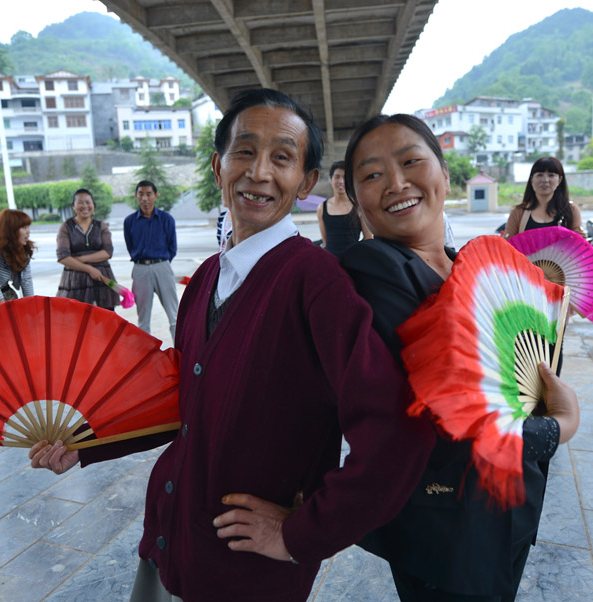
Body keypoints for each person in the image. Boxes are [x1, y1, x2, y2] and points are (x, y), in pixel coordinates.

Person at [30, 89, 433, 602]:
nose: (259, 172)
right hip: (170, 539)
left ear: (307, 182)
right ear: (219, 167)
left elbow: (398, 433)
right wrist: (89, 442)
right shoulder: (206, 280)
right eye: (244, 151)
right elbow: (181, 399)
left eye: (282, 157)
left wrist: (300, 534)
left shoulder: (316, 283)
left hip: (245, 573)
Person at [339, 114, 580, 602]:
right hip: (445, 526)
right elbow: (447, 417)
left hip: (506, 505)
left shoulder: (467, 262)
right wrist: (559, 427)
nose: (396, 183)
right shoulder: (374, 270)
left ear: (445, 176)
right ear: (356, 199)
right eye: (372, 174)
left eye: (410, 161)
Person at [123, 181, 179, 337]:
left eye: (149, 194)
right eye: (141, 194)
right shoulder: (130, 221)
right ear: (136, 196)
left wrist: (161, 263)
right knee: (143, 320)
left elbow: (172, 247)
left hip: (163, 266)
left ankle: (181, 356)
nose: (145, 198)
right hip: (140, 269)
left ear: (155, 195)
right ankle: (145, 358)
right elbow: (130, 246)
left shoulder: (166, 219)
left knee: (175, 316)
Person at [56, 189, 121, 310]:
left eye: (88, 202)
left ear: (93, 205)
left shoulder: (101, 225)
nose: (85, 206)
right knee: (78, 320)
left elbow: (107, 252)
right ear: (74, 206)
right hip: (75, 280)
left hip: (102, 278)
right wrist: (89, 268)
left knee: (105, 320)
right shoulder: (66, 227)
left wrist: (80, 259)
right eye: (80, 202)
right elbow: (63, 256)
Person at [503, 156, 583, 238]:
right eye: (539, 175)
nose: (545, 180)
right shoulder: (519, 212)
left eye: (551, 175)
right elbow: (507, 245)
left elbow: (581, 244)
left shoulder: (571, 210)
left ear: (560, 180)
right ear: (531, 179)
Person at [316, 160, 371, 256]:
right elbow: (326, 243)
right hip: (331, 264)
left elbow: (369, 238)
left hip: (352, 263)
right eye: (337, 177)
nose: (341, 181)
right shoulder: (322, 208)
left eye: (345, 177)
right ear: (330, 179)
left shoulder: (358, 206)